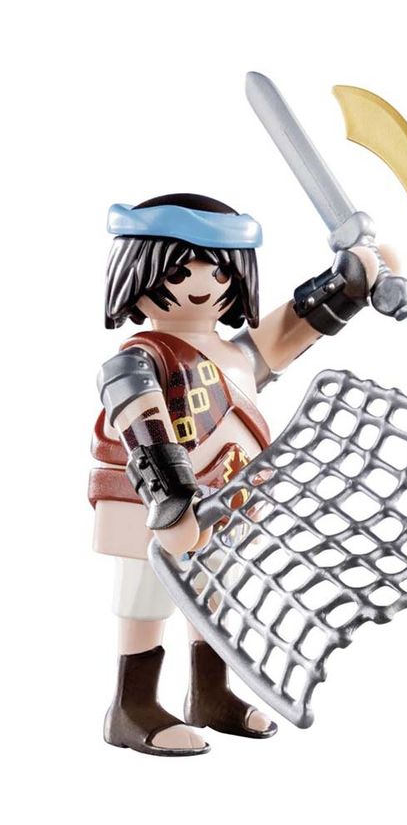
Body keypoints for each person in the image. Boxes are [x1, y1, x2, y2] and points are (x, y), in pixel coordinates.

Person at [90, 192, 385, 756]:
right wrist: (170, 500)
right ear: (139, 273)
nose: (202, 283)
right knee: (146, 598)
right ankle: (131, 706)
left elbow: (293, 328)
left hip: (228, 497)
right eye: (180, 271)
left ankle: (210, 696)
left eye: (219, 270)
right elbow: (142, 424)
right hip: (152, 505)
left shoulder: (233, 355)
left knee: (214, 597)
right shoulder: (139, 358)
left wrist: (348, 284)